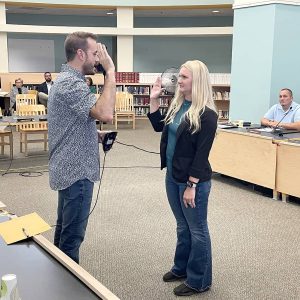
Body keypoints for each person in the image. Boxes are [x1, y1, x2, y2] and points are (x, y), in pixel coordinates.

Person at [148, 60, 218, 296]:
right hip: (172, 175)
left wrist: (191, 185)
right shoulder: (177, 106)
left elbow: (202, 155)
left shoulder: (207, 115)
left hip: (193, 182)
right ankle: (181, 268)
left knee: (197, 230)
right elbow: (159, 127)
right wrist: (154, 99)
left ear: (196, 81)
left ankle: (199, 280)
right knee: (182, 226)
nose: (179, 80)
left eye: (185, 77)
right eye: (180, 76)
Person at [48, 31, 116, 263]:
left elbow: (71, 121)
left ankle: (57, 281)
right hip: (76, 173)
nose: (98, 59)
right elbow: (106, 113)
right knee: (71, 238)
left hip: (68, 169)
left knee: (64, 231)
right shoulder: (70, 84)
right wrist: (111, 72)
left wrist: (93, 133)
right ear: (80, 54)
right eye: (95, 54)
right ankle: (67, 289)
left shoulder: (66, 81)